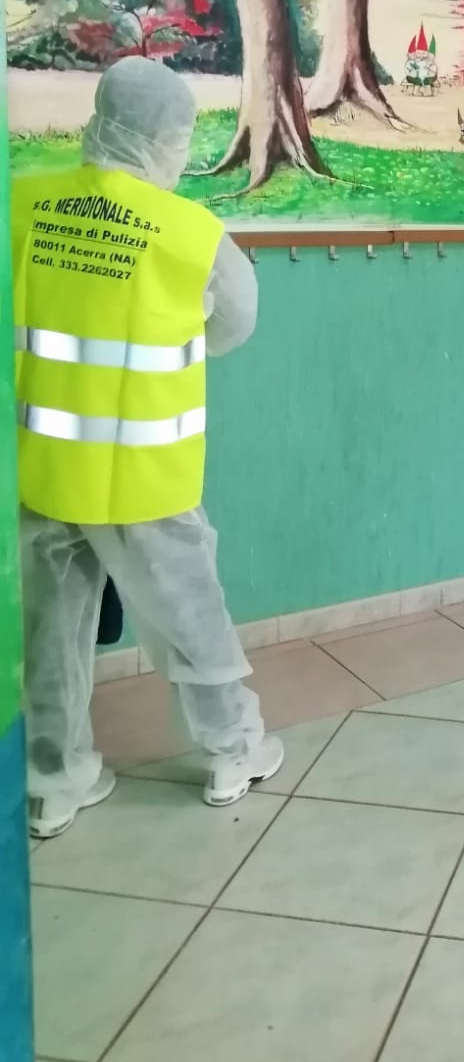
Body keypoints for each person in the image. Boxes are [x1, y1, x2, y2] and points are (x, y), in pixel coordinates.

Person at [11, 57, 283, 839]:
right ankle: (234, 752)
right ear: (169, 137)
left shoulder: (22, 203)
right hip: (145, 472)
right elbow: (233, 325)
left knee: (51, 632)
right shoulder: (190, 234)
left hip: (45, 467)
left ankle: (55, 781)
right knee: (191, 616)